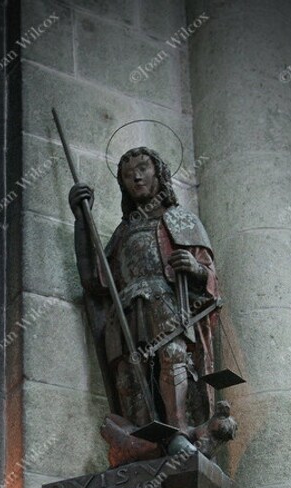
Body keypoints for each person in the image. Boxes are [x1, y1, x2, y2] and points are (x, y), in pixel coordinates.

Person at [69, 147, 221, 456]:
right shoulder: (124, 232)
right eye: (127, 175)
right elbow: (97, 280)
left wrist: (192, 267)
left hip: (167, 301)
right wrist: (82, 220)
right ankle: (144, 441)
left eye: (143, 168)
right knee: (129, 375)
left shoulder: (180, 220)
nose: (136, 177)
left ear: (159, 174)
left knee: (173, 355)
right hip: (127, 311)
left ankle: (179, 431)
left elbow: (210, 278)